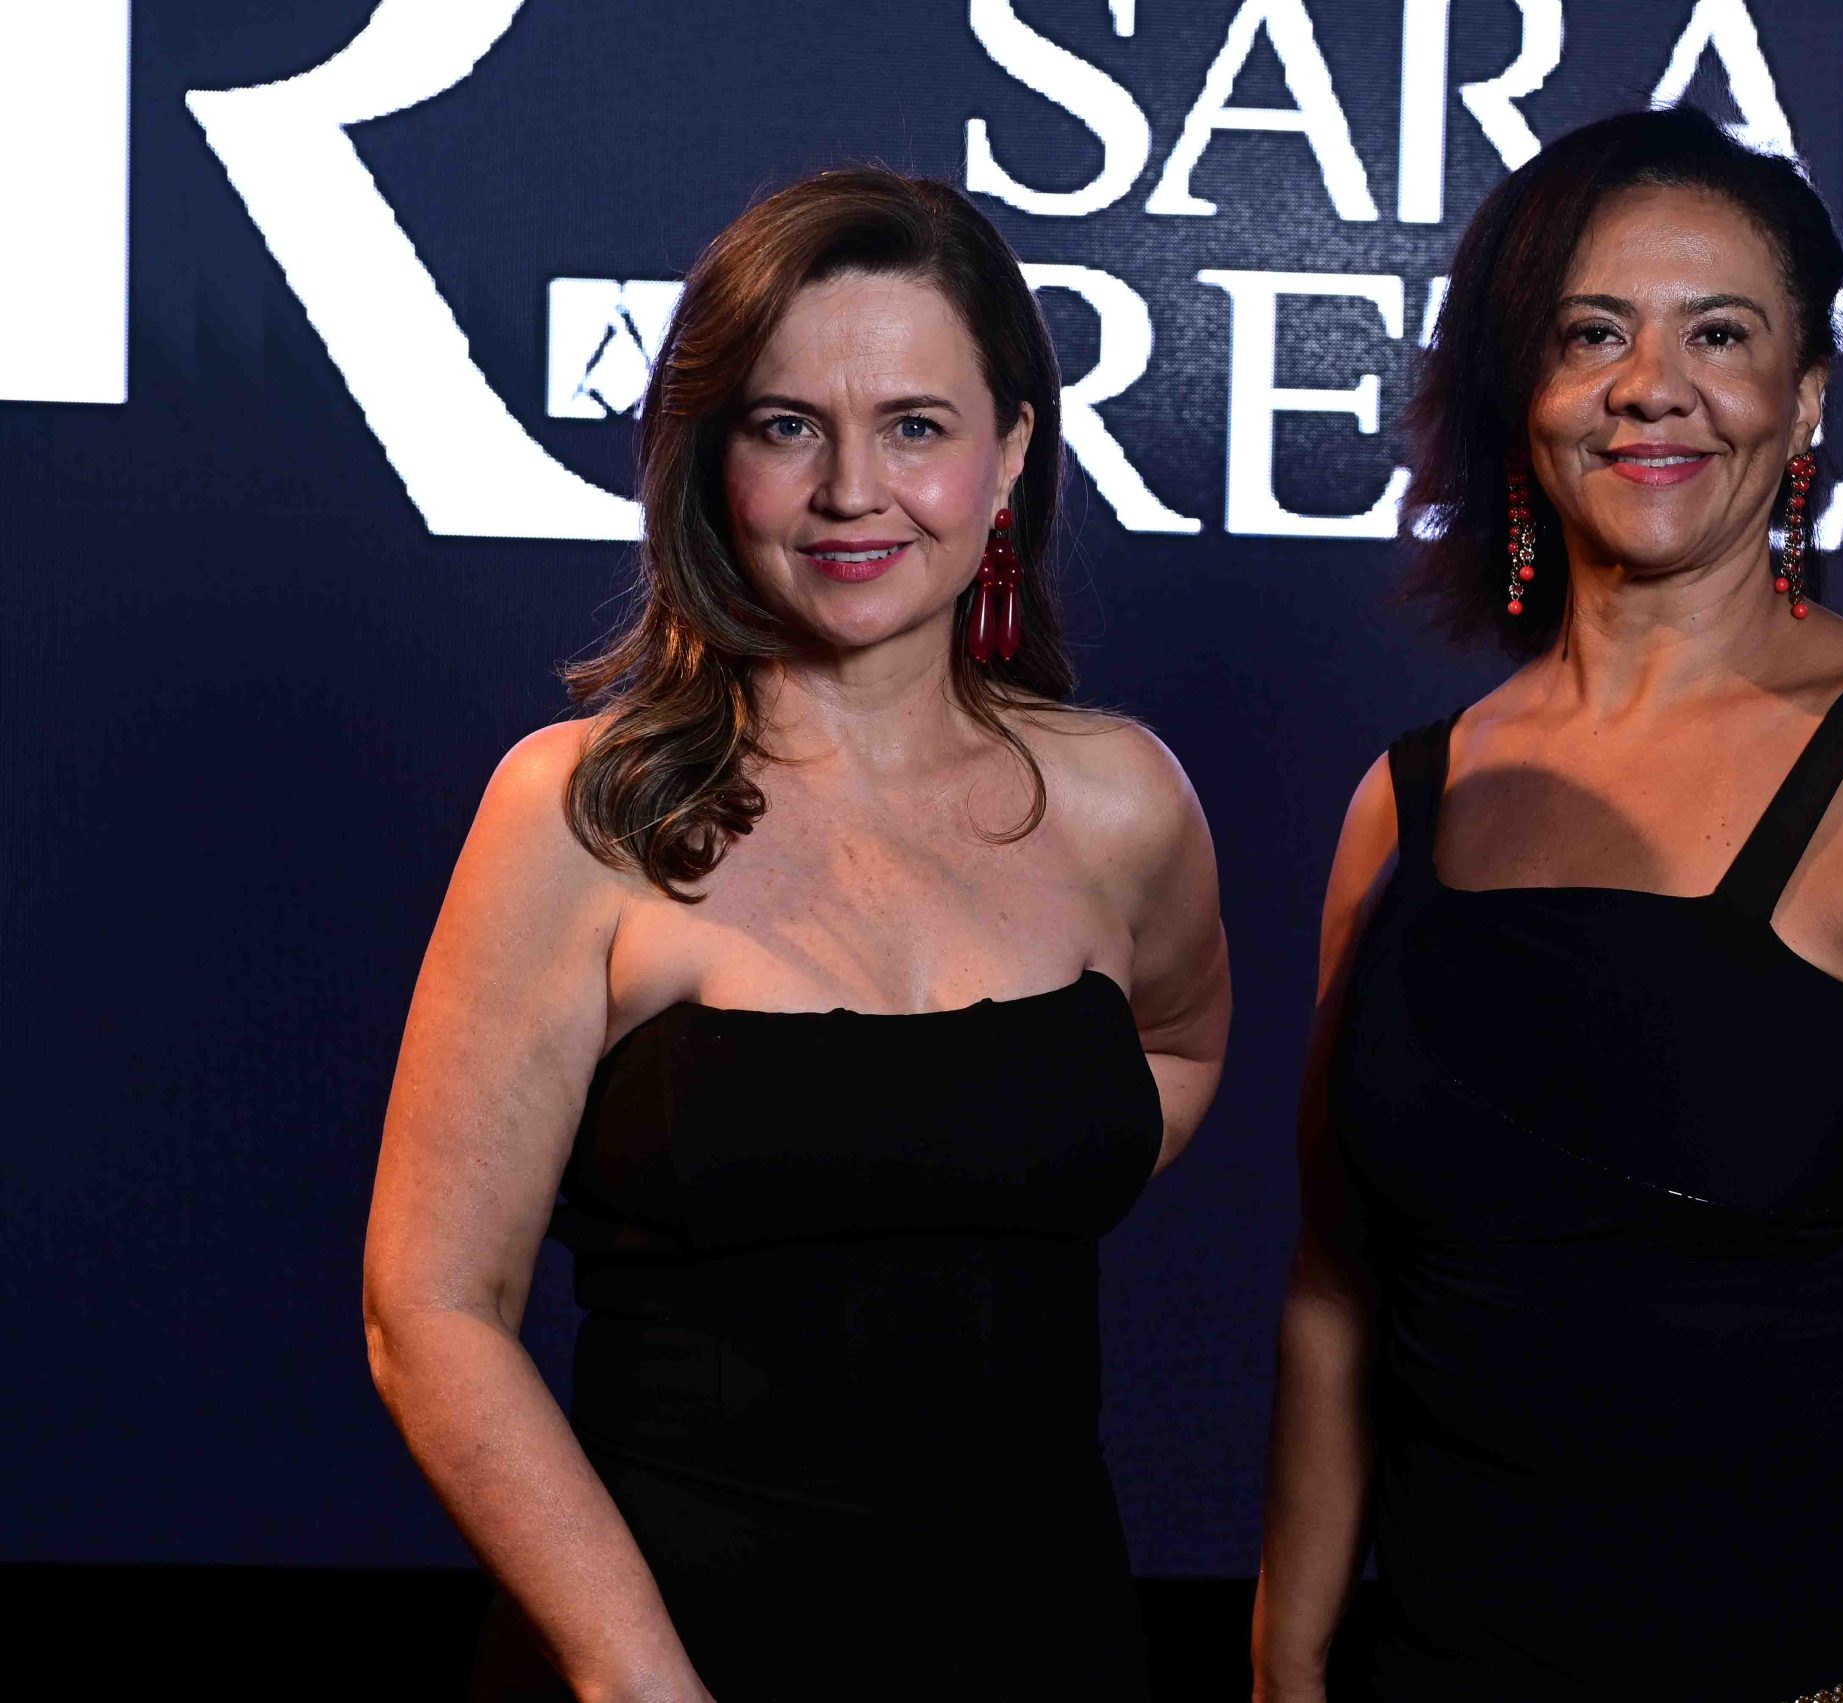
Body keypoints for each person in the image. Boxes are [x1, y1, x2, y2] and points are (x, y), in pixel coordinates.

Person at [1253, 109, 1843, 1703]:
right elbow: (1336, 1292)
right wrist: (1285, 1670)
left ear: (1807, 395)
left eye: (1720, 333)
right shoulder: (1408, 798)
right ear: (1522, 393)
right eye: (1593, 333)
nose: (1654, 385)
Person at [362, 167, 1229, 1702]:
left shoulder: (1123, 803)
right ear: (712, 459)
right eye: (786, 427)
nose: (851, 491)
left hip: (1049, 1647)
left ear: (1012, 455)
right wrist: (641, 1682)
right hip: (665, 1664)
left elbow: (1176, 1048)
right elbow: (430, 1313)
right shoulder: (581, 811)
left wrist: (955, 1174)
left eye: (916, 426)